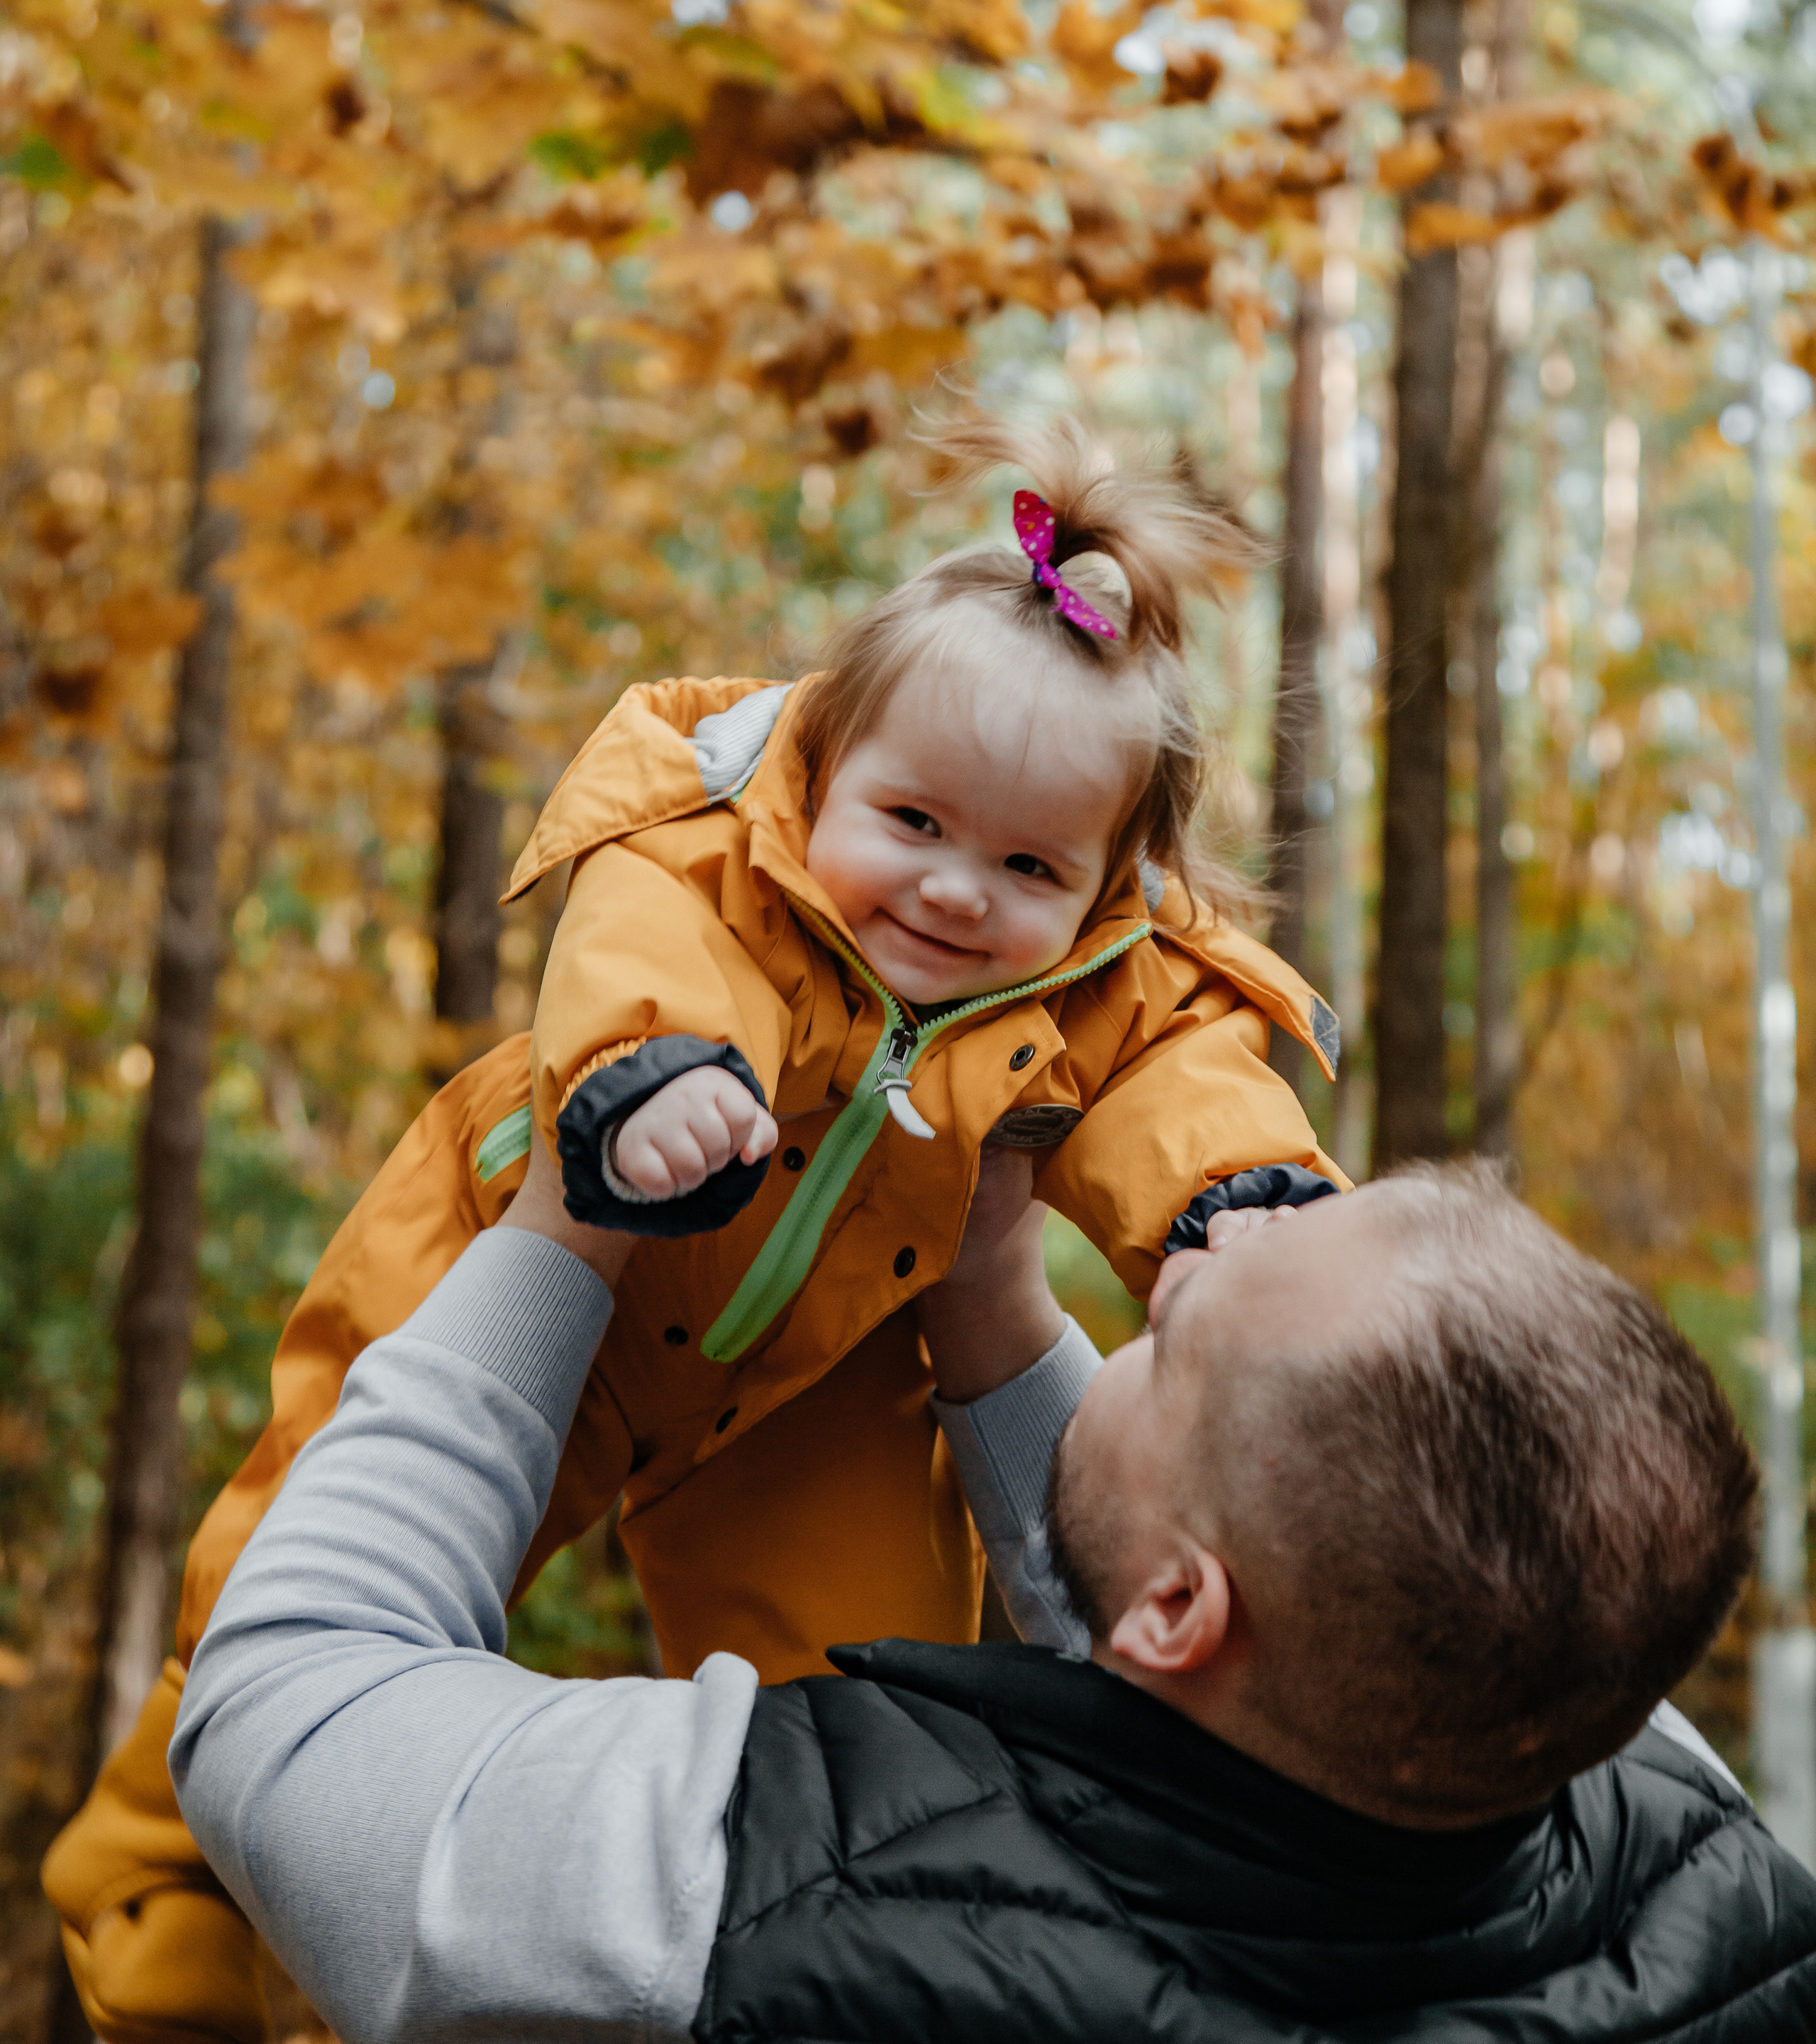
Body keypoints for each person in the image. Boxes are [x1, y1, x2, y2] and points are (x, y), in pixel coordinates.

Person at [48, 413, 1346, 2038]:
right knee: (294, 1589)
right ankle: (159, 1919)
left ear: (1102, 887)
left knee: (856, 1704)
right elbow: (643, 936)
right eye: (915, 825)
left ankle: (812, 1979)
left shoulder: (1105, 981)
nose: (954, 894)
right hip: (523, 1277)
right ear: (816, 776)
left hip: (821, 1382)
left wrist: (1235, 1203)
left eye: (1027, 863)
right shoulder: (713, 849)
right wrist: (654, 1069)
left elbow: (1185, 1077)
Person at [169, 1138, 1816, 2042]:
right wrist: (995, 1296)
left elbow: (293, 1705)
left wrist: (565, 1227)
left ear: (1179, 1610)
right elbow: (1238, 1680)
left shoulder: (745, 1896)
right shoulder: (1650, 1787)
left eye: (1175, 1339)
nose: (1185, 1253)